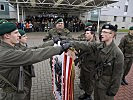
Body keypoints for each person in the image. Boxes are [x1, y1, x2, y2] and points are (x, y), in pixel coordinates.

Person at [0, 22, 70, 100]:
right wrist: (59, 49)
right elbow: (32, 55)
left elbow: (34, 49)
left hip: (17, 88)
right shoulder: (5, 53)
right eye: (16, 33)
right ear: (7, 36)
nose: (19, 35)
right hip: (10, 94)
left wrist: (52, 42)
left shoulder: (12, 47)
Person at [71, 24, 124, 100]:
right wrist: (70, 43)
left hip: (106, 87)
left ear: (112, 34)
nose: (101, 34)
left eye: (105, 32)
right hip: (97, 83)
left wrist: (113, 90)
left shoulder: (117, 53)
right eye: (102, 32)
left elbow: (118, 75)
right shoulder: (99, 45)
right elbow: (86, 45)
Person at [78, 28, 97, 100]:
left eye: (88, 33)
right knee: (84, 80)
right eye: (85, 33)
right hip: (84, 65)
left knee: (90, 82)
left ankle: (89, 96)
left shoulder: (95, 44)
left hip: (91, 67)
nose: (86, 35)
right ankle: (85, 94)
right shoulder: (85, 42)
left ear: (92, 34)